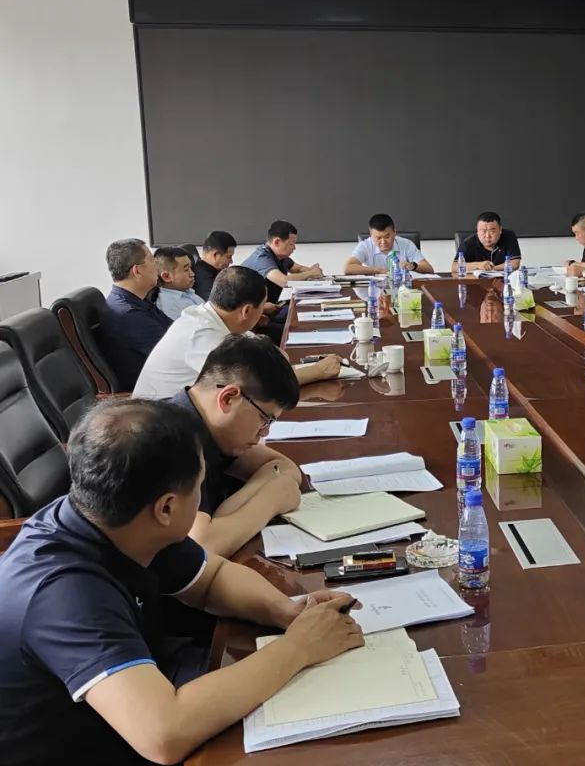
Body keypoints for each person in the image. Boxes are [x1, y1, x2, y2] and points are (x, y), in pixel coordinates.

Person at [0, 399, 363, 765]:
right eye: (200, 486)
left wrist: (286, 611)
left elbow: (210, 579)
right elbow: (163, 734)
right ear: (167, 508)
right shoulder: (64, 595)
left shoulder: (120, 518)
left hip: (135, 704)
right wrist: (298, 648)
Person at [166, 334, 305, 557]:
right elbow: (203, 547)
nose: (265, 432)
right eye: (265, 419)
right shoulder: (173, 442)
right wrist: (270, 500)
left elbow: (283, 467)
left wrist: (228, 515)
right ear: (228, 398)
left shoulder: (210, 426)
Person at [134, 267, 340, 398]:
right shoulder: (202, 333)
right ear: (247, 311)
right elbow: (255, 384)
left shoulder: (212, 316)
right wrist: (317, 372)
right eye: (262, 306)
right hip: (157, 429)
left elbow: (273, 353)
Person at [99, 238, 174, 391]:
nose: (157, 267)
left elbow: (173, 330)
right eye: (152, 261)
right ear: (137, 270)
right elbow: (173, 354)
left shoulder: (137, 301)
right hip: (154, 392)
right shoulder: (129, 315)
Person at [241, 220, 324, 304]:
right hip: (251, 309)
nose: (294, 248)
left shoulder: (282, 257)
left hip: (268, 306)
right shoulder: (262, 259)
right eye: (291, 244)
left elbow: (299, 269)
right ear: (277, 242)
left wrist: (313, 270)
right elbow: (284, 281)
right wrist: (310, 273)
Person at [344, 214, 432, 275]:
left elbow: (429, 268)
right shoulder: (365, 245)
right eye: (378, 238)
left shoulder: (406, 244)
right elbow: (348, 268)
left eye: (387, 236)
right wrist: (376, 270)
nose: (383, 242)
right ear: (371, 235)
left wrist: (413, 266)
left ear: (394, 232)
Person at [457, 211, 521, 270]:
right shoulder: (468, 242)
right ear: (477, 231)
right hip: (475, 278)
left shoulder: (509, 236)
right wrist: (478, 265)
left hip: (502, 278)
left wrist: (490, 269)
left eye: (492, 231)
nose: (487, 236)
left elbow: (515, 264)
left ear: (500, 230)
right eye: (483, 231)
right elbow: (455, 266)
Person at [154, 247, 204, 321]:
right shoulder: (169, 307)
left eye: (190, 268)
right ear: (166, 277)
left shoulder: (187, 292)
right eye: (186, 269)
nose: (192, 274)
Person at [193, 231, 237, 300]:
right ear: (215, 255)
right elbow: (215, 303)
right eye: (228, 257)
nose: (231, 261)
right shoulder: (204, 279)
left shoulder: (213, 271)